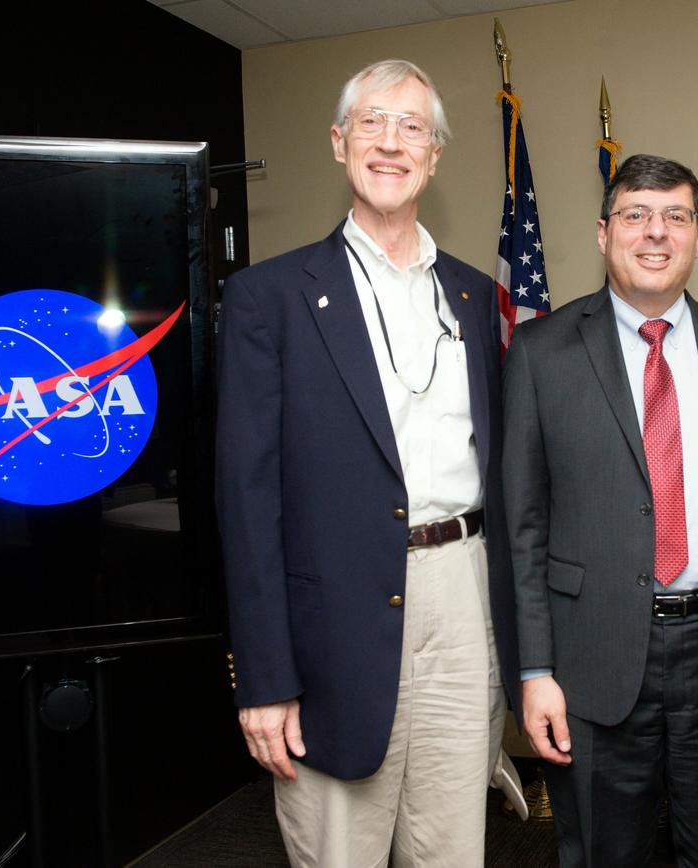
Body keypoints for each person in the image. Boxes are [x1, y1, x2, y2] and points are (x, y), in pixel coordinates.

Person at [214, 58, 519, 867]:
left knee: (453, 848)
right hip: (334, 624)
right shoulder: (270, 297)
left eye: (412, 126)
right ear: (339, 142)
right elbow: (246, 502)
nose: (391, 142)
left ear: (435, 155)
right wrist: (263, 678)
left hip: (464, 601)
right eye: (372, 123)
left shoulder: (472, 297)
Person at [503, 154, 698, 867]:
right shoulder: (541, 352)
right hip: (590, 656)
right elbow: (523, 527)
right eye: (635, 214)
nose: (655, 232)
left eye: (674, 216)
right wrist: (533, 669)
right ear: (603, 233)